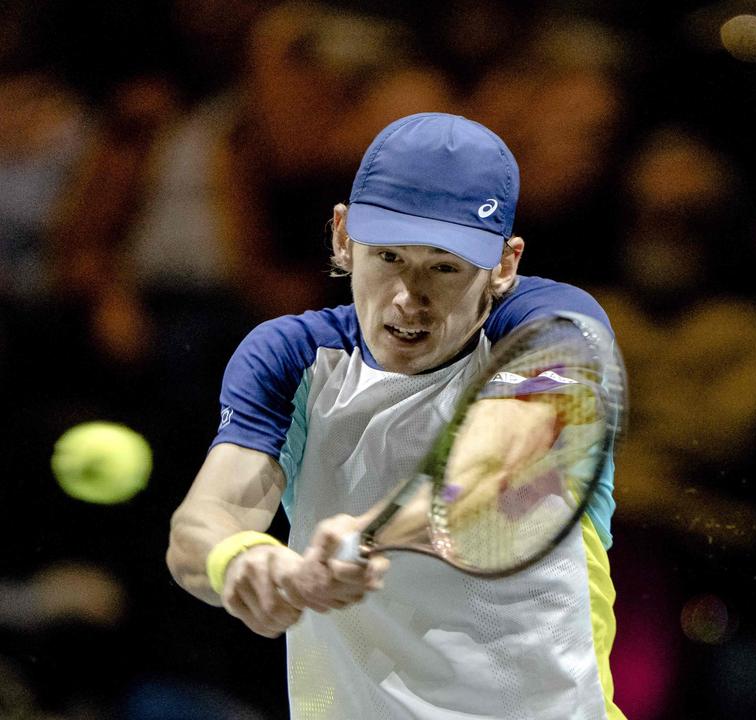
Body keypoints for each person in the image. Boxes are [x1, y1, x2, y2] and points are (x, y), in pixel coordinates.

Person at [166, 112, 625, 720]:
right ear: (342, 236)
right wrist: (243, 562)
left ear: (505, 265)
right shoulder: (290, 360)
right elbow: (202, 523)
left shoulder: (554, 323)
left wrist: (371, 537)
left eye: (444, 266)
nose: (410, 296)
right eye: (388, 257)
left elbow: (498, 474)